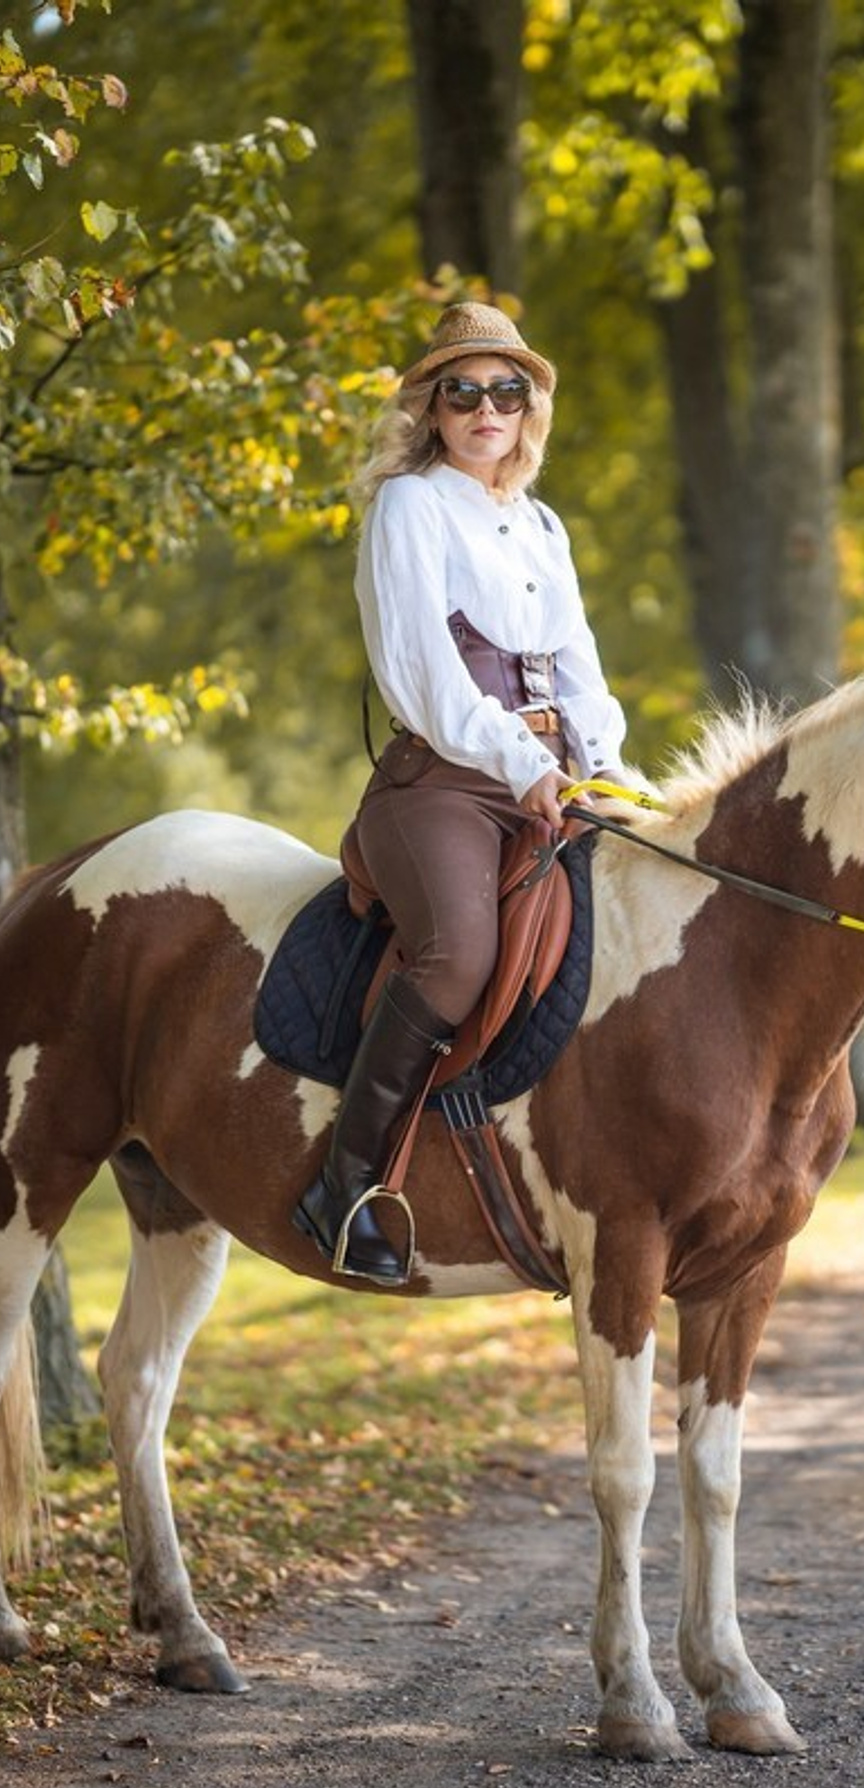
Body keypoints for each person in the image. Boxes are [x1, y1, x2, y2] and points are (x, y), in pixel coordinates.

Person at [294, 301, 629, 1284]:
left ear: (529, 409)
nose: (487, 408)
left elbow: (577, 666)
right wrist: (523, 766)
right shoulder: (409, 506)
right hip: (443, 778)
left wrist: (600, 764)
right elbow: (425, 672)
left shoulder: (540, 523)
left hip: (552, 773)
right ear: (431, 409)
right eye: (463, 391)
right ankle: (341, 1186)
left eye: (506, 390)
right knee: (455, 955)